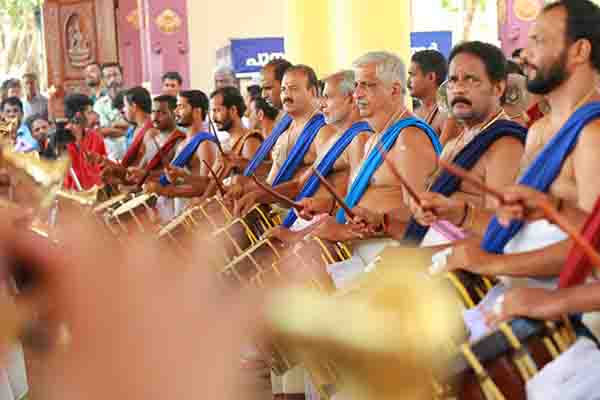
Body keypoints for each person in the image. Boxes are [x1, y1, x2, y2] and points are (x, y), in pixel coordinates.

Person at [296, 51, 442, 283]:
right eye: (356, 85)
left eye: (368, 85)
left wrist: (348, 230)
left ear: (394, 90)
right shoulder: (373, 139)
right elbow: (367, 201)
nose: (357, 94)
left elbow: (421, 218)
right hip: (357, 252)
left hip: (387, 258)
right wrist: (328, 206)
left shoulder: (409, 138)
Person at [363, 41, 526, 245]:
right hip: (431, 252)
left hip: (460, 266)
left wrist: (460, 215)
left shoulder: (505, 146)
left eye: (471, 80)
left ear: (498, 88)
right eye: (453, 80)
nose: (459, 89)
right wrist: (381, 220)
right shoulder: (453, 145)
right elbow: (427, 212)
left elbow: (501, 230)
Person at [240, 70, 371, 231]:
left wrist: (303, 232)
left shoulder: (360, 138)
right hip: (312, 221)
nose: (322, 104)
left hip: (336, 231)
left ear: (351, 99)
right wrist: (255, 195)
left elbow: (359, 201)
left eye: (327, 97)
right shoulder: (335, 139)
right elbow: (300, 185)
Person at [145, 90, 219, 217]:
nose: (175, 111)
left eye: (181, 106)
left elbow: (206, 187)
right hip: (180, 212)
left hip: (196, 217)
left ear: (197, 111)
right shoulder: (182, 144)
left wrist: (167, 191)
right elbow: (180, 181)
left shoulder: (205, 143)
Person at [63, 94, 107, 191]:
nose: (94, 116)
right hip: (72, 200)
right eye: (89, 112)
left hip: (97, 197)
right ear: (78, 115)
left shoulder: (96, 138)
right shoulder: (59, 142)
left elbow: (104, 168)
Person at [408, 49, 448, 136]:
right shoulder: (414, 113)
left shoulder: (445, 115)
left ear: (431, 77)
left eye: (412, 75)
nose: (408, 81)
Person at [93, 62, 128, 161]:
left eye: (115, 75)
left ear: (122, 76)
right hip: (112, 158)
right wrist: (130, 131)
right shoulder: (99, 105)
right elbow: (102, 131)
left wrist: (113, 125)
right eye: (108, 76)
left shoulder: (132, 99)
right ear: (103, 80)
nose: (113, 79)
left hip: (134, 156)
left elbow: (141, 125)